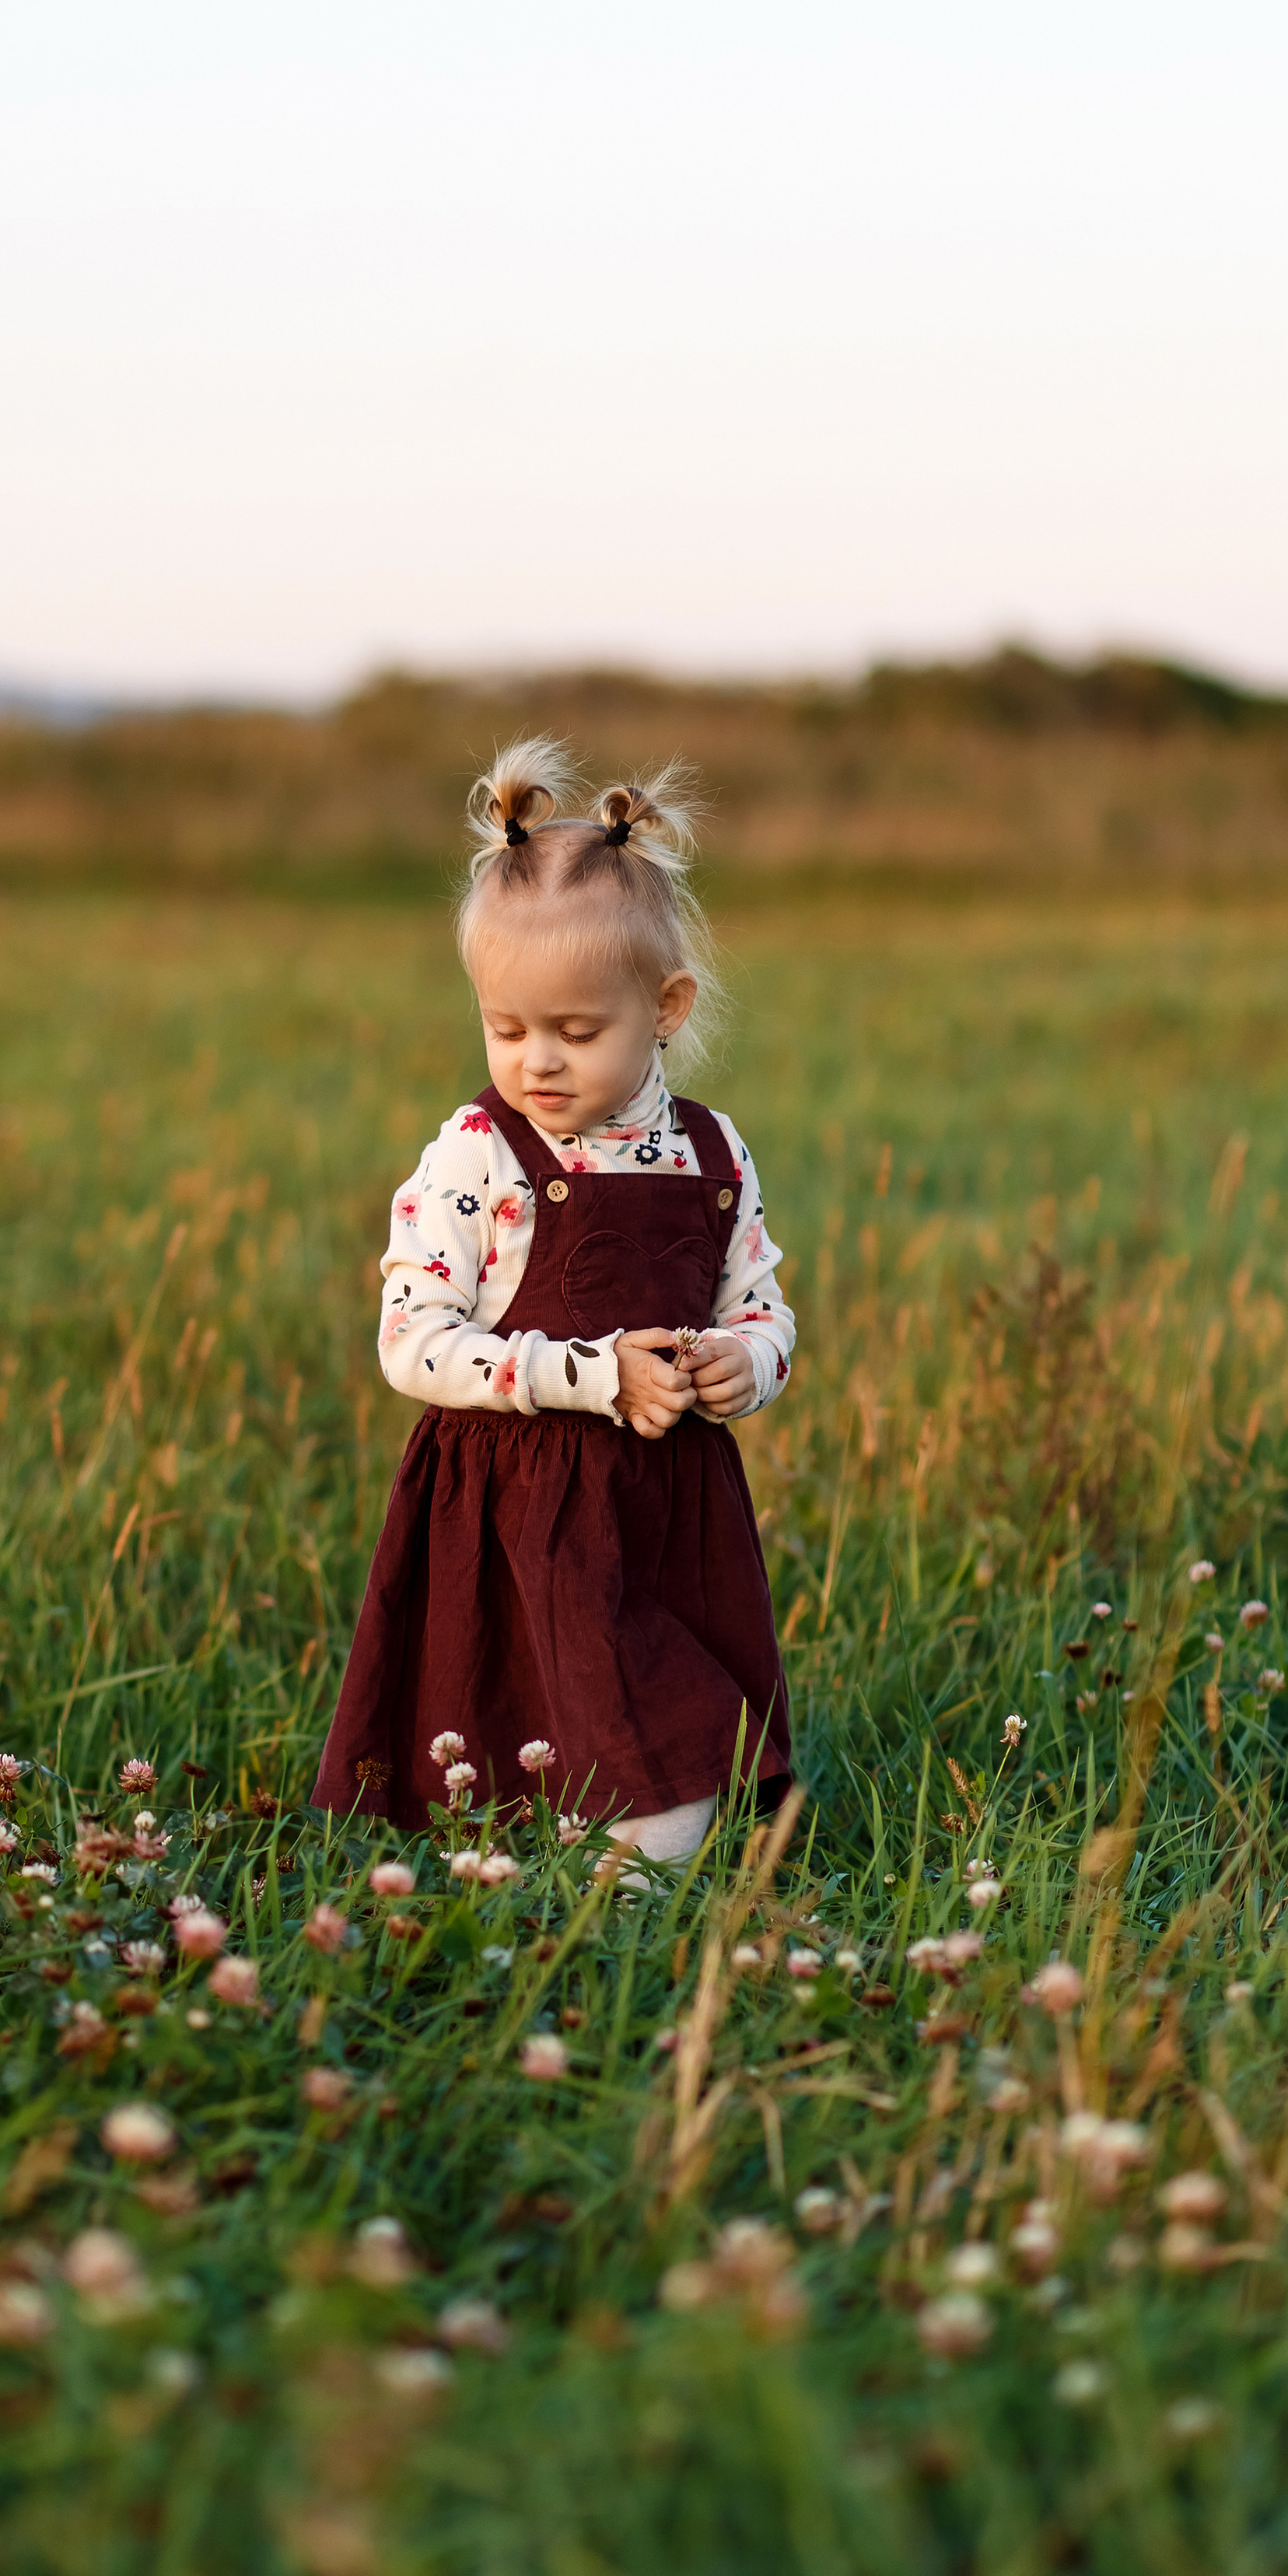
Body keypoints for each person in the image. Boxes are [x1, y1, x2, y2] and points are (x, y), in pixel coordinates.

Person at [311, 738, 794, 1865]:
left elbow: (759, 1301)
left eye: (579, 1033)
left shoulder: (710, 1153)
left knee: (667, 1710)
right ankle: (603, 1878)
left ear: (664, 1006)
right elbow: (413, 1342)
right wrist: (585, 1373)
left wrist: (746, 1362)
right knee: (538, 1714)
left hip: (669, 1504)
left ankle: (622, 1855)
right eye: (507, 1027)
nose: (538, 1061)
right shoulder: (479, 1154)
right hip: (518, 1499)